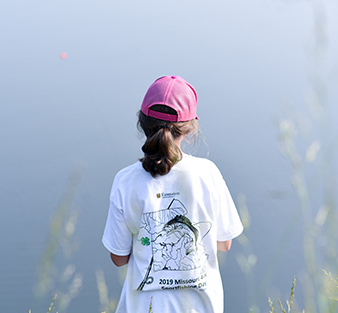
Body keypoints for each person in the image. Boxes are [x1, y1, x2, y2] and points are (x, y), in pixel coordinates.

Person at [102, 75, 244, 313]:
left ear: (143, 124)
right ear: (189, 129)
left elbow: (118, 258)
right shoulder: (208, 174)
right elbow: (224, 242)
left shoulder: (125, 181)